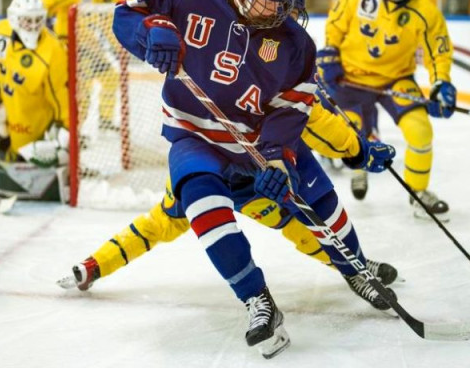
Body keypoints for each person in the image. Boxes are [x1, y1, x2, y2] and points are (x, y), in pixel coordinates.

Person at [111, 0, 398, 358]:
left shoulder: (295, 44)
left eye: (284, 0)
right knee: (199, 200)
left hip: (259, 140)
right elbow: (127, 13)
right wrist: (150, 30)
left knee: (319, 201)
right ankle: (256, 299)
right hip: (197, 135)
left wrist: (278, 157)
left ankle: (355, 267)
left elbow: (291, 109)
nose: (279, 9)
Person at [56, 101, 400, 292]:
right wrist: (95, 265)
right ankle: (351, 266)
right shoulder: (186, 178)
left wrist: (358, 149)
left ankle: (353, 265)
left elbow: (311, 115)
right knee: (292, 223)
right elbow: (149, 229)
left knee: (300, 222)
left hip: (262, 169)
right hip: (229, 183)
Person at [317, 0, 456, 220]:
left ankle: (418, 192)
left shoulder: (425, 12)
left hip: (396, 80)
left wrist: (441, 83)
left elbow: (438, 52)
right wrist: (330, 50)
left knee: (420, 131)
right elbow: (335, 24)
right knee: (353, 135)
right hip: (350, 79)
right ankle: (359, 170)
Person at [0, 0, 70, 201]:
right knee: (2, 152)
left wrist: (66, 126)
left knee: (31, 159)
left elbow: (61, 96)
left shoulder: (54, 50)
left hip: (35, 123)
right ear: (15, 19)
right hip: (7, 114)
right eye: (28, 21)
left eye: (38, 20)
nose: (34, 26)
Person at [41, 0, 123, 131]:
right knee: (82, 88)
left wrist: (119, 46)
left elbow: (112, 23)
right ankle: (73, 130)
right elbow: (47, 1)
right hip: (68, 46)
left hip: (91, 48)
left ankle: (105, 119)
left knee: (110, 76)